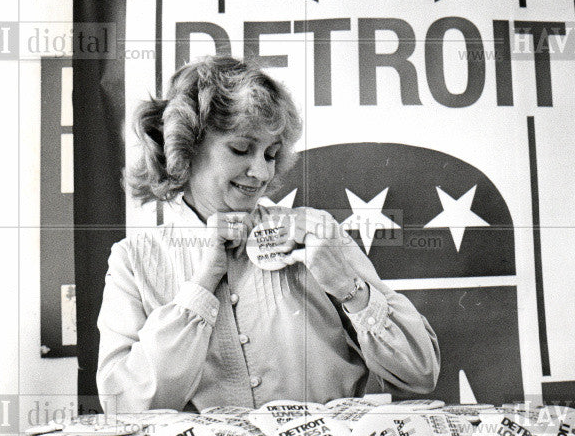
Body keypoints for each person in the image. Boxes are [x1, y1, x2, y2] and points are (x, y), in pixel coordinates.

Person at [97, 55, 440, 413]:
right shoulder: (134, 260)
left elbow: (420, 372)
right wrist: (202, 283)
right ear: (187, 146)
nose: (261, 172)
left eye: (272, 154)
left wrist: (347, 287)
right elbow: (124, 408)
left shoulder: (316, 234)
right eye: (241, 148)